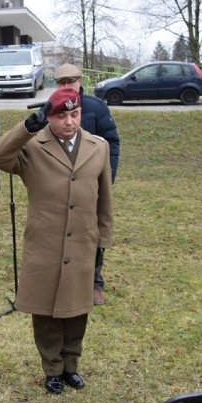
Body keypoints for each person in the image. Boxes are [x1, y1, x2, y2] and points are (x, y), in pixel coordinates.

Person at [0, 86, 112, 395]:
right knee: (45, 312)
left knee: (77, 308)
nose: (70, 122)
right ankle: (52, 369)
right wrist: (27, 127)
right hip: (45, 242)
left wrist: (103, 240)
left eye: (75, 114)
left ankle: (72, 366)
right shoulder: (33, 147)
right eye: (61, 116)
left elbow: (104, 199)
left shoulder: (99, 147)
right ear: (49, 118)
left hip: (83, 241)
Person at [55, 63, 120, 306]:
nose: (66, 86)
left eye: (71, 82)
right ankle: (65, 280)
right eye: (61, 83)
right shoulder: (50, 110)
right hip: (61, 185)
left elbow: (112, 143)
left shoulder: (95, 107)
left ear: (80, 81)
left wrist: (107, 177)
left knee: (92, 232)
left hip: (90, 185)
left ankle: (94, 283)